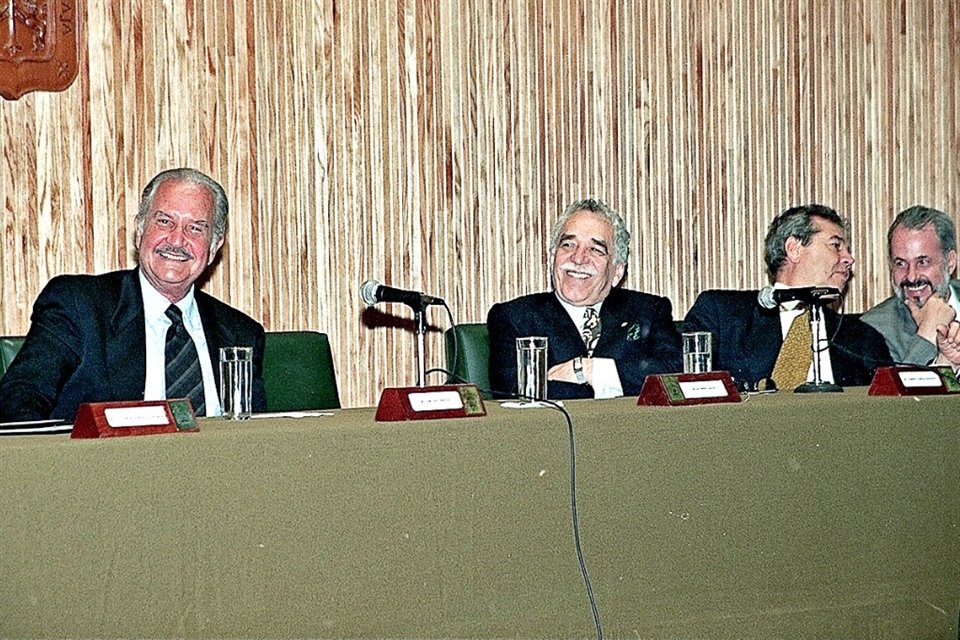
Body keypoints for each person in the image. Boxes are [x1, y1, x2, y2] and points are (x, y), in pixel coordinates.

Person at [0, 168, 267, 422]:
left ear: (214, 246)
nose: (177, 240)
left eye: (196, 228)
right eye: (164, 222)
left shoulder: (240, 332)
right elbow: (20, 400)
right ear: (139, 230)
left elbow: (255, 437)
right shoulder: (78, 306)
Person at [487, 198, 682, 400]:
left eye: (596, 249)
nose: (578, 258)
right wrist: (622, 383)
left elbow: (676, 377)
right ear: (553, 257)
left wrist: (590, 371)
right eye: (568, 245)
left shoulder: (648, 311)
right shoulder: (514, 317)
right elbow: (515, 391)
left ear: (617, 271)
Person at [683, 204, 891, 390]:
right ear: (794, 249)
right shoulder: (723, 315)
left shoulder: (864, 338)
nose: (849, 259)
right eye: (836, 245)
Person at [861, 205, 960, 366]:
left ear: (950, 262)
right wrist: (927, 335)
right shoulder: (874, 329)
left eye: (923, 262)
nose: (912, 276)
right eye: (900, 264)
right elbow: (889, 390)